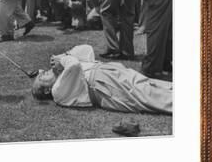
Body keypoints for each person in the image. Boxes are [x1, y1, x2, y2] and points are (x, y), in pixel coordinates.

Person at [31, 45, 172, 114]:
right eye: (42, 76)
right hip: (104, 86)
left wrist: (64, 54)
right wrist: (62, 59)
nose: (44, 71)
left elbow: (87, 50)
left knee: (149, 84)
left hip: (109, 72)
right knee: (146, 95)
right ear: (47, 89)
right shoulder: (57, 93)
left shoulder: (63, 74)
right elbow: (74, 65)